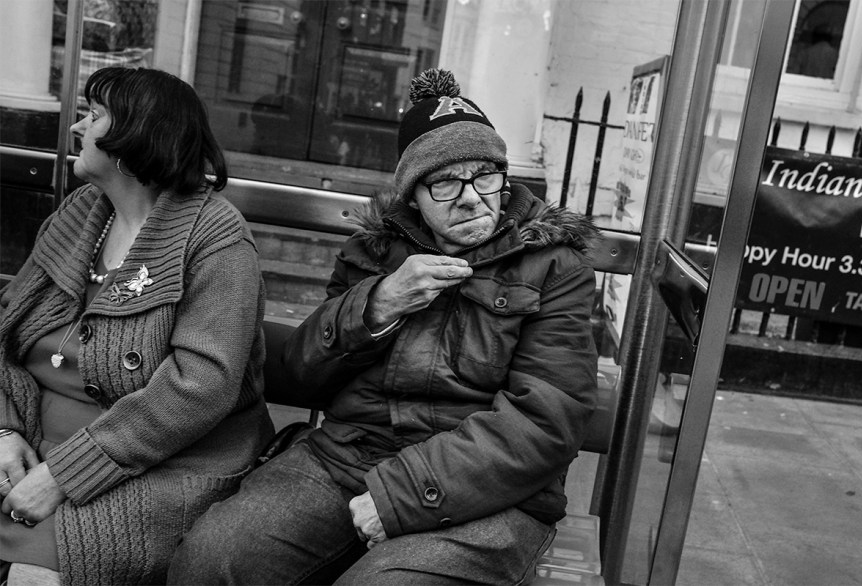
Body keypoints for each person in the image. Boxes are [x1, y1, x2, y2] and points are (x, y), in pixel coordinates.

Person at [169, 68, 600, 585]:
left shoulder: (554, 266)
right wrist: (375, 306)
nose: (470, 196)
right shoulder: (373, 252)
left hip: (488, 492)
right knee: (212, 560)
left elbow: (546, 421)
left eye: (485, 175)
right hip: (346, 458)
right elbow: (304, 375)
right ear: (412, 195)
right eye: (444, 181)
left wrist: (397, 495)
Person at [0, 67, 274, 586]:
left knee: (35, 576)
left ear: (137, 133)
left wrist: (64, 474)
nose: (78, 126)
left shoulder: (216, 237)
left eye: (95, 114)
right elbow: (5, 329)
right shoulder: (81, 214)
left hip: (159, 463)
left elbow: (199, 388)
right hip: (36, 437)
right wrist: (4, 430)